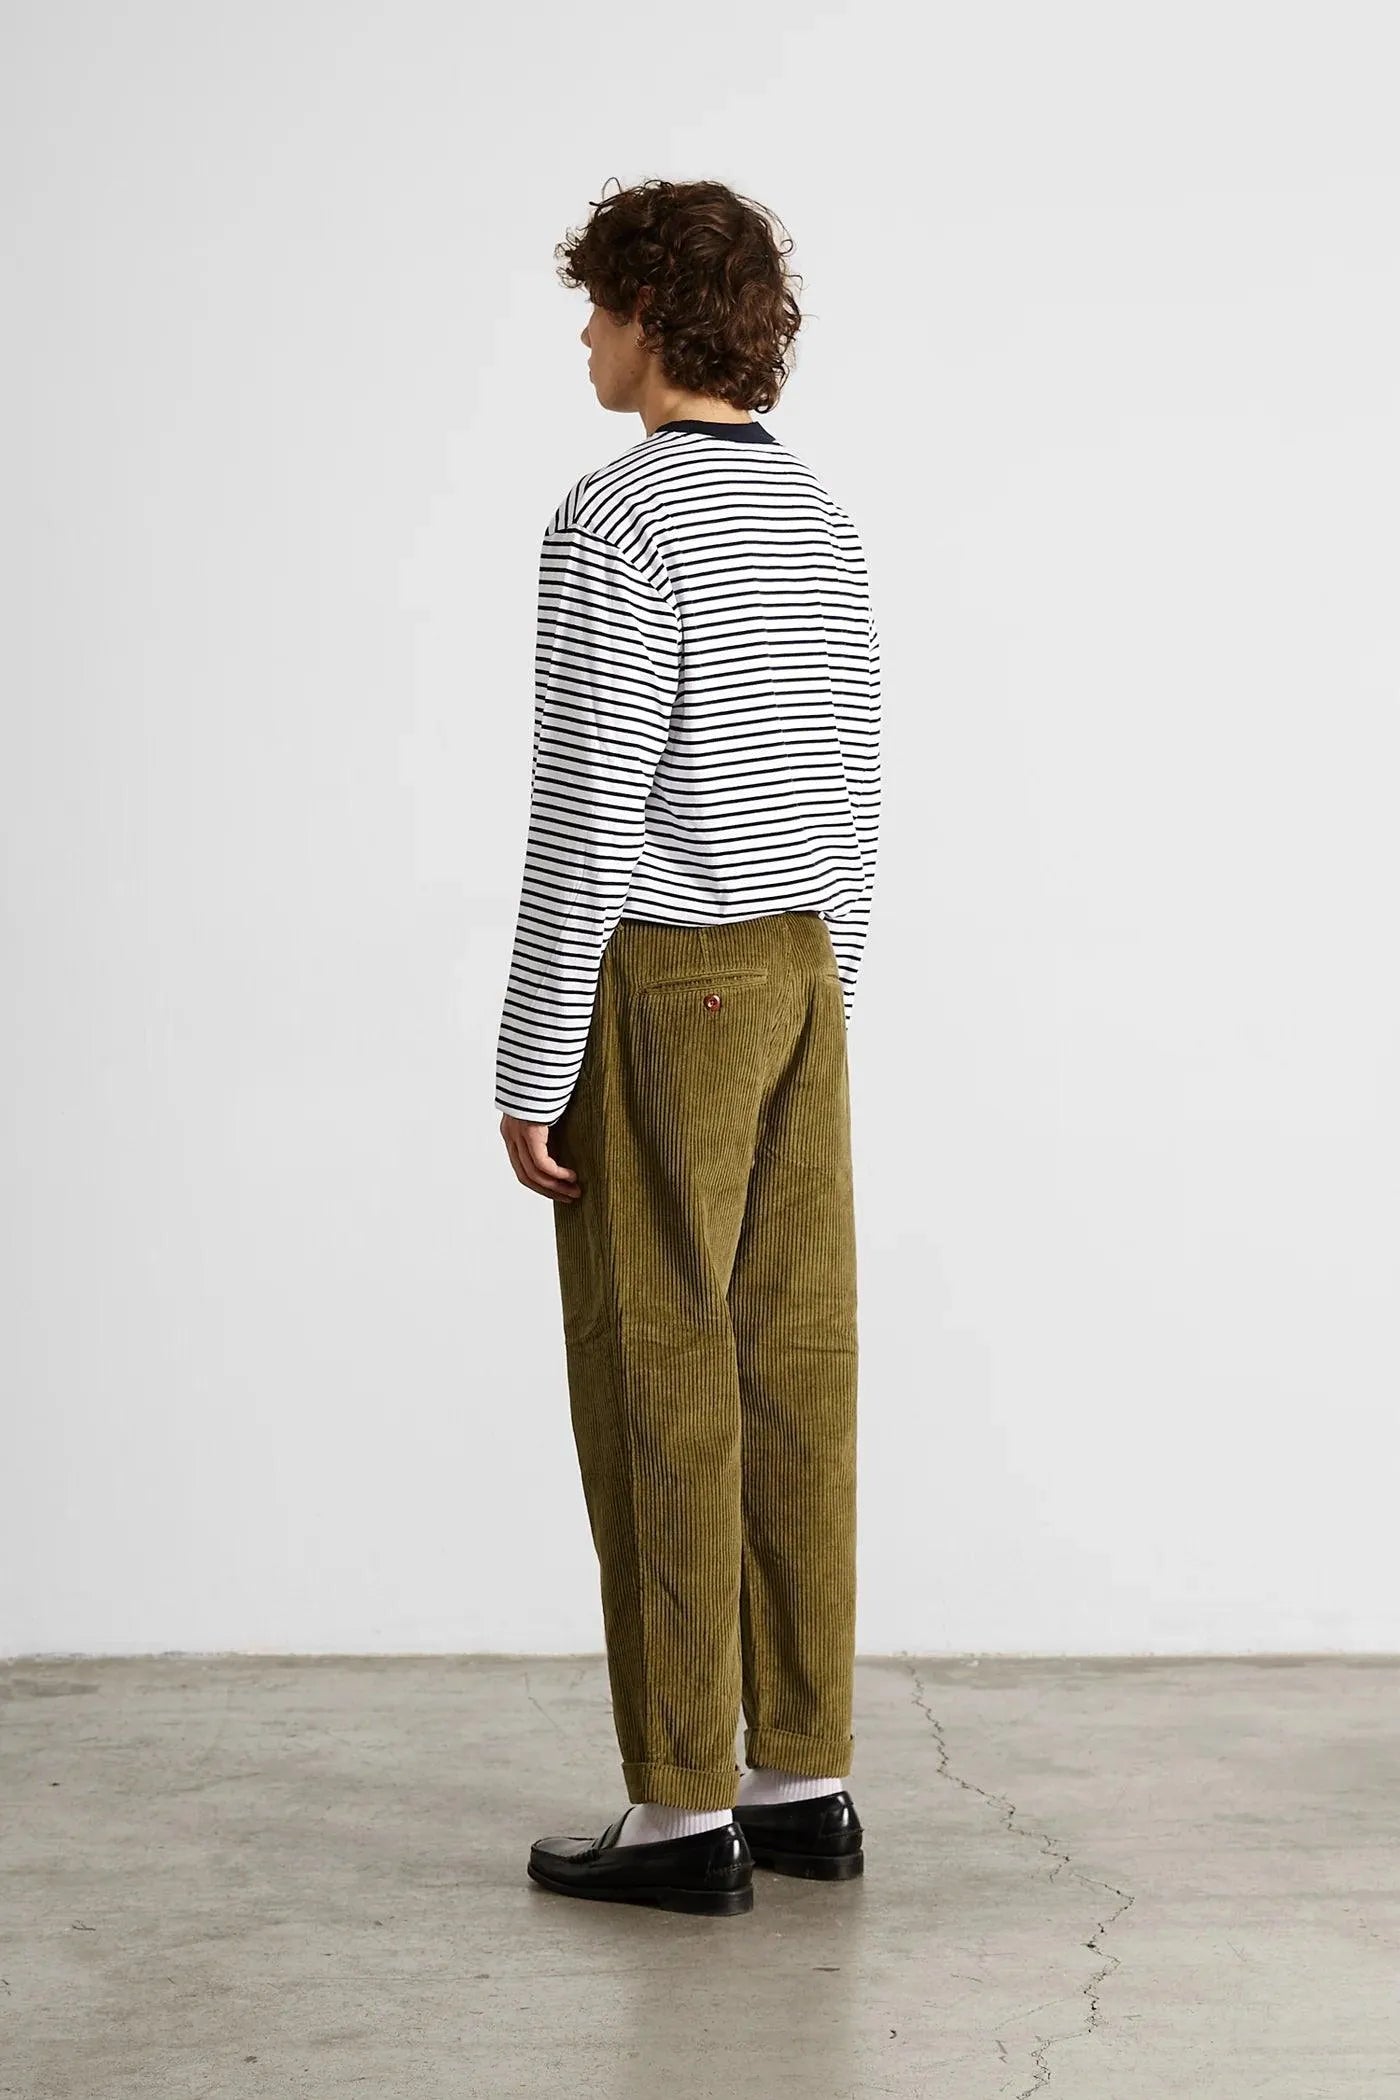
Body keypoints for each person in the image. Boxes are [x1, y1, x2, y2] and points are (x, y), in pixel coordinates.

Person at [494, 177, 881, 1915]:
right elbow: (853, 775)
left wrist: (528, 1066)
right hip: (801, 972)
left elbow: (589, 810)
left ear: (653, 315)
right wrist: (832, 992)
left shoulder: (618, 515)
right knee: (797, 1366)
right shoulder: (814, 512)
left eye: (597, 307)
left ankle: (679, 1812)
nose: (585, 336)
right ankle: (804, 1778)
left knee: (660, 1368)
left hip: (664, 980)